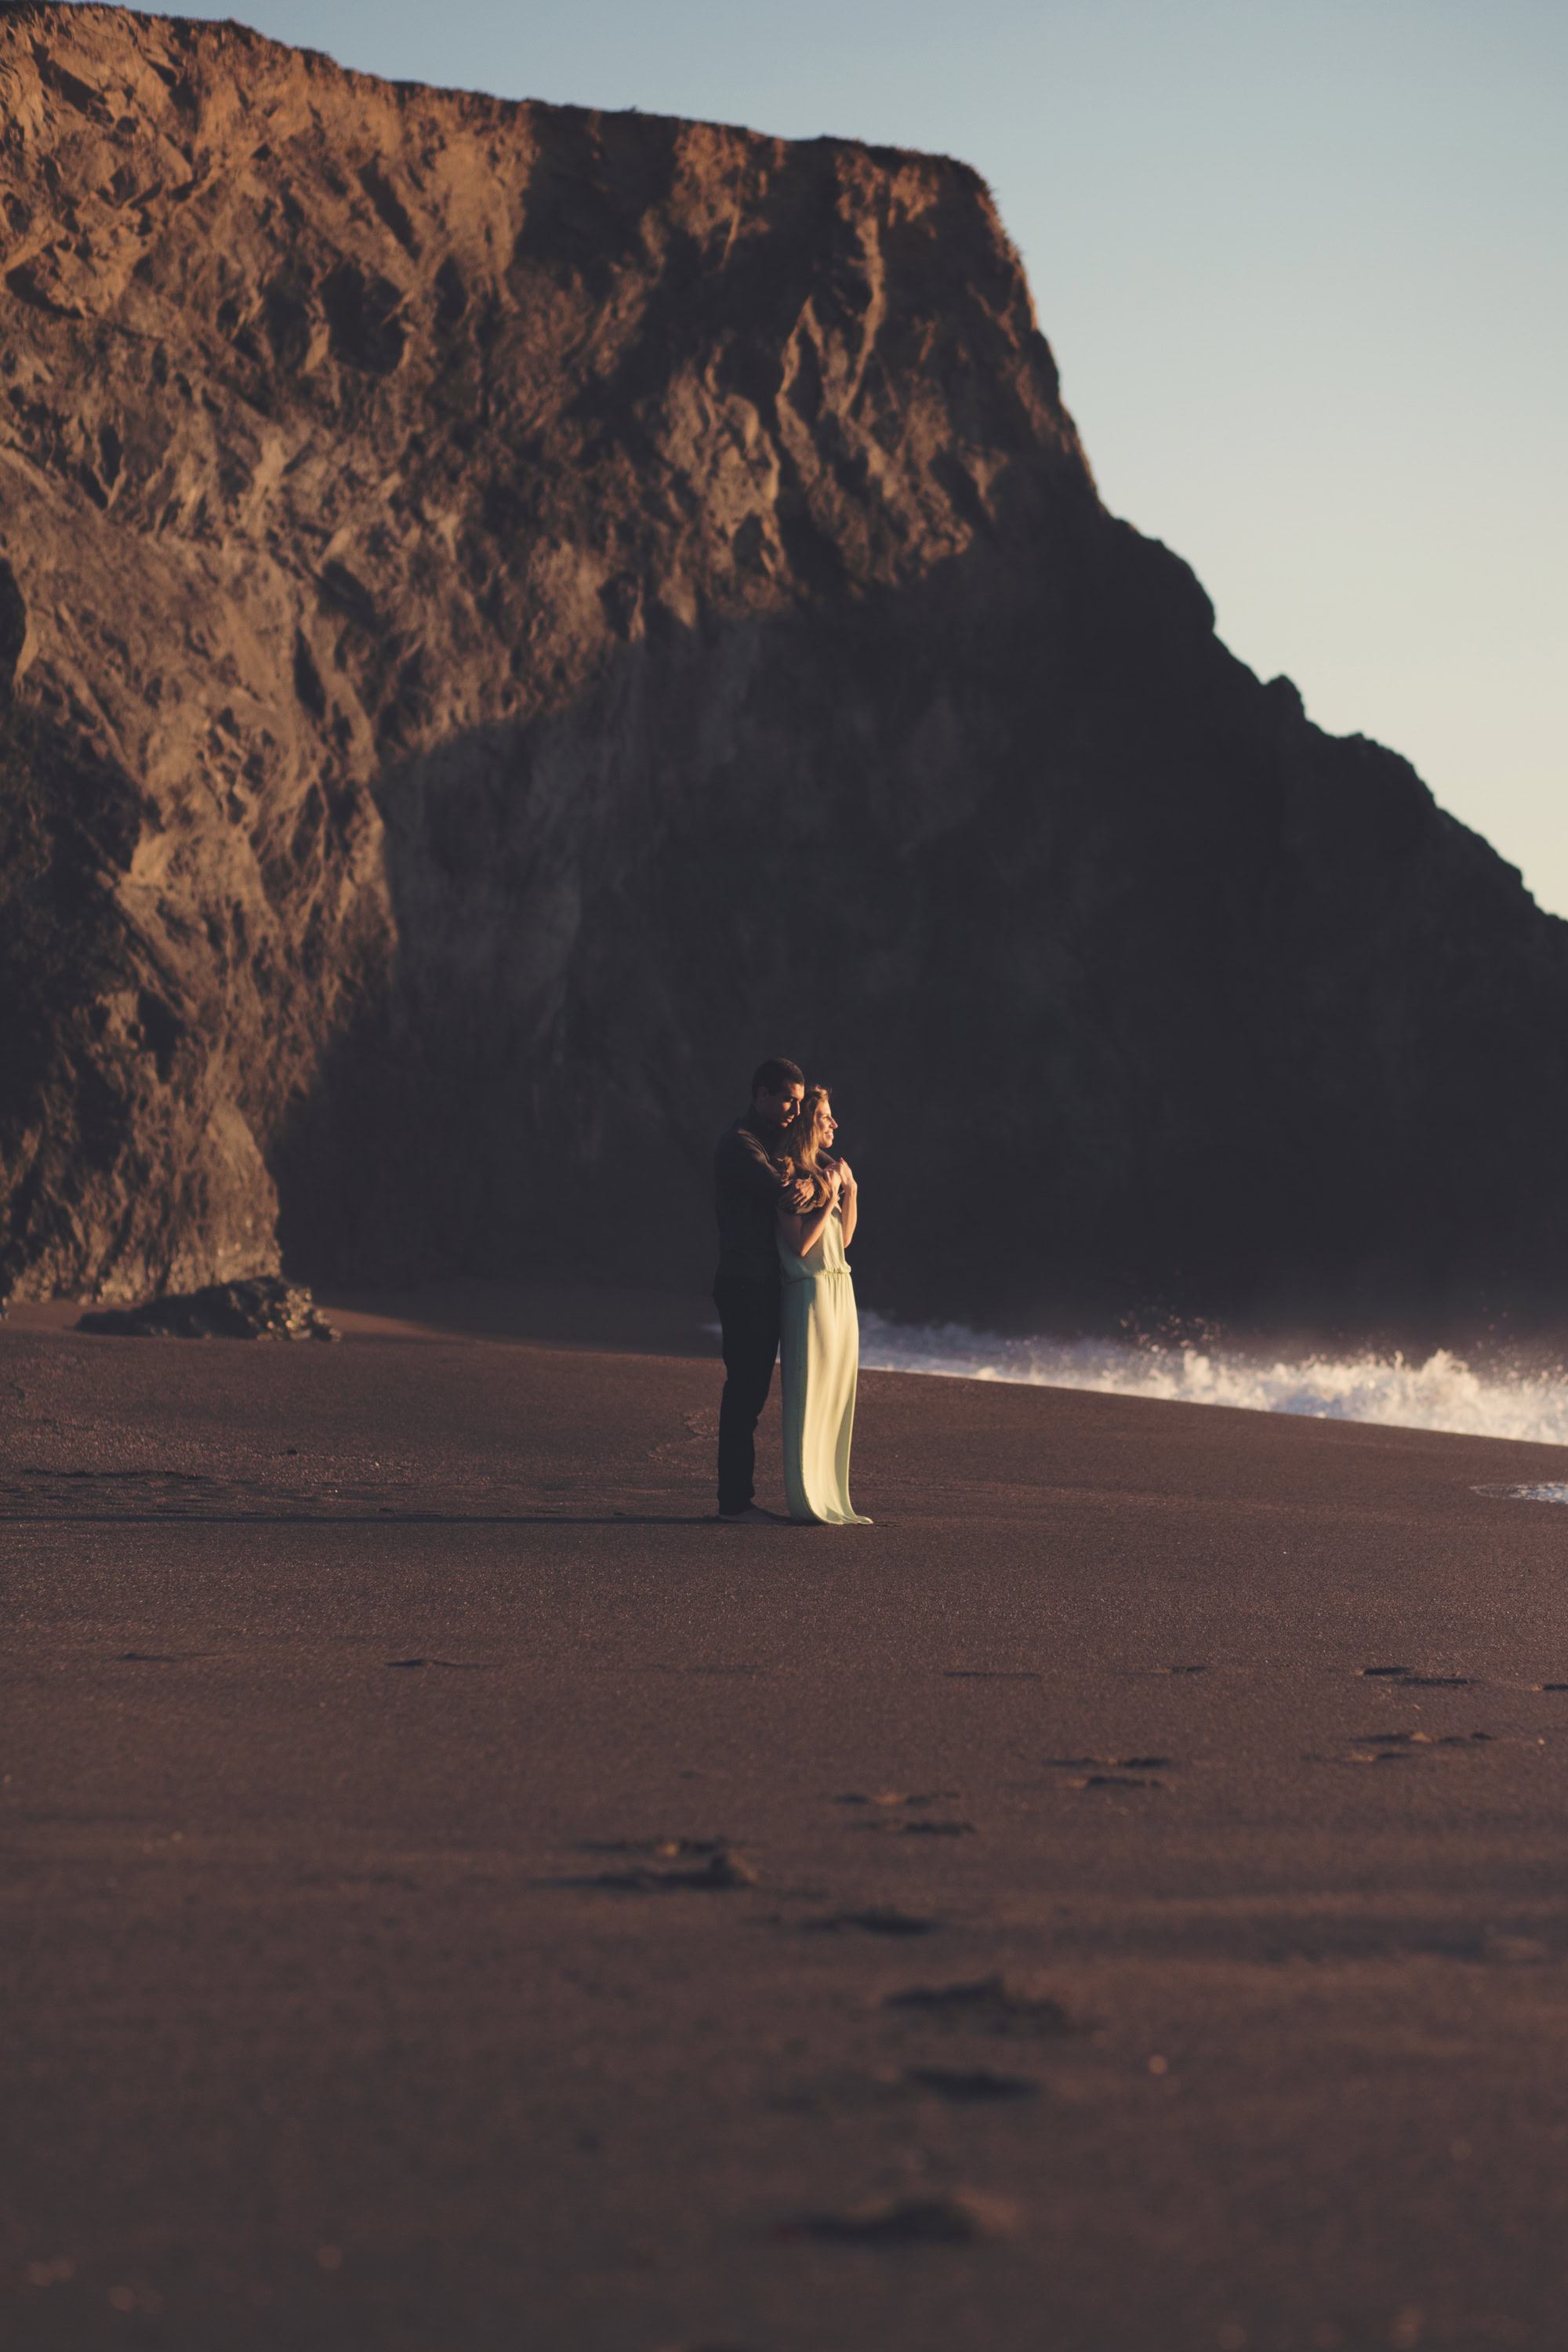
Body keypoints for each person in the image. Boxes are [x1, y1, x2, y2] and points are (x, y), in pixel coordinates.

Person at [713, 1058, 812, 1524]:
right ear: (762, 1095)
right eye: (790, 1099)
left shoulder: (774, 1139)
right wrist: (819, 1186)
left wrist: (821, 1174)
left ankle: (738, 1500)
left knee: (753, 1393)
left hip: (763, 1283)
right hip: (743, 1282)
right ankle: (735, 1503)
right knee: (745, 1394)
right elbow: (783, 1193)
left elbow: (807, 1165)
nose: (797, 1108)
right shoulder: (740, 1144)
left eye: (799, 1100)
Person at [775, 1087, 872, 1526]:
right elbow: (798, 1247)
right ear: (808, 1124)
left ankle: (834, 1497)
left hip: (840, 1285)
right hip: (810, 1289)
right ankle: (808, 1499)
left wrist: (849, 1191)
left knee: (838, 1396)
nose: (834, 1124)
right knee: (810, 1395)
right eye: (826, 1117)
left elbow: (844, 1240)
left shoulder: (824, 1171)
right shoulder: (790, 1174)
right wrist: (829, 1195)